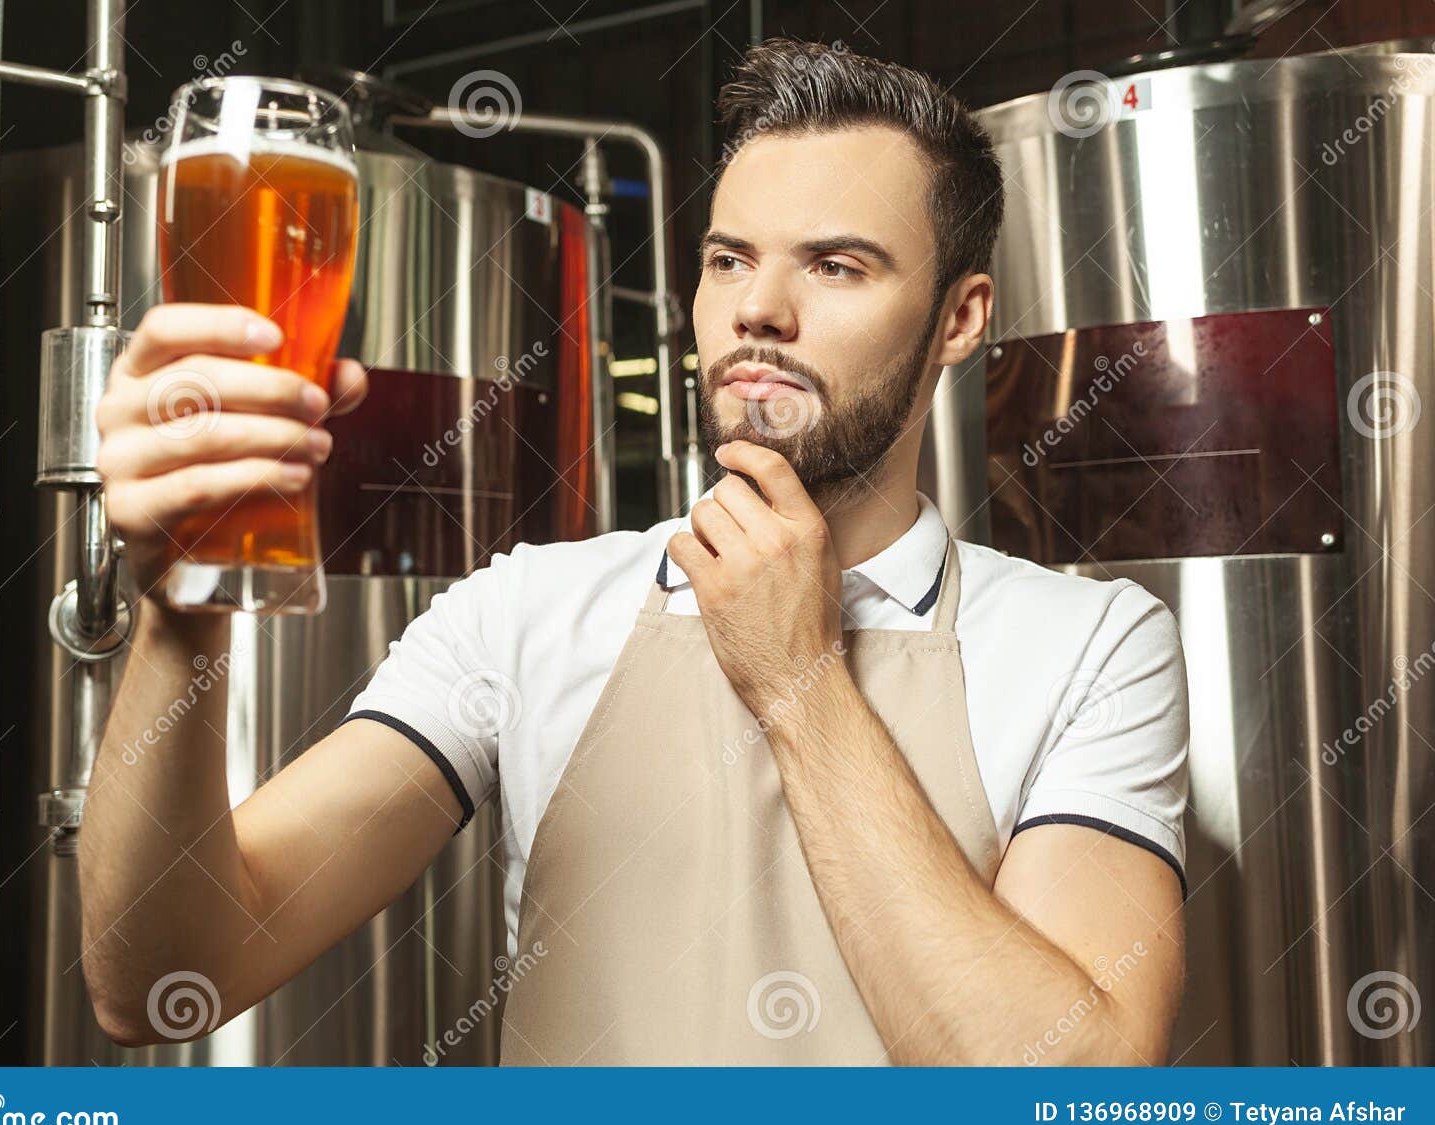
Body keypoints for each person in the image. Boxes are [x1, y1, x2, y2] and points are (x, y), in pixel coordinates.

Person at [80, 38, 1189, 1065]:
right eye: (728, 258)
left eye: (836, 266)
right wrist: (179, 617)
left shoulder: (1094, 648)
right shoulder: (524, 612)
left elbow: (1072, 1093)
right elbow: (165, 978)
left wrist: (799, 684)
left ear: (959, 318)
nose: (758, 309)